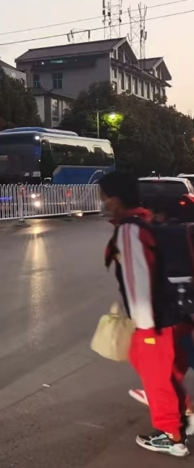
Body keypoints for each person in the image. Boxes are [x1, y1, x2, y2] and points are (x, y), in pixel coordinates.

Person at [100, 171, 191, 457]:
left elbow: (138, 280)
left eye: (103, 198)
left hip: (155, 321)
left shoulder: (129, 230)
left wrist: (146, 329)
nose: (102, 203)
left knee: (157, 377)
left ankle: (171, 437)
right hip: (173, 316)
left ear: (115, 199)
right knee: (163, 370)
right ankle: (184, 413)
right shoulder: (145, 222)